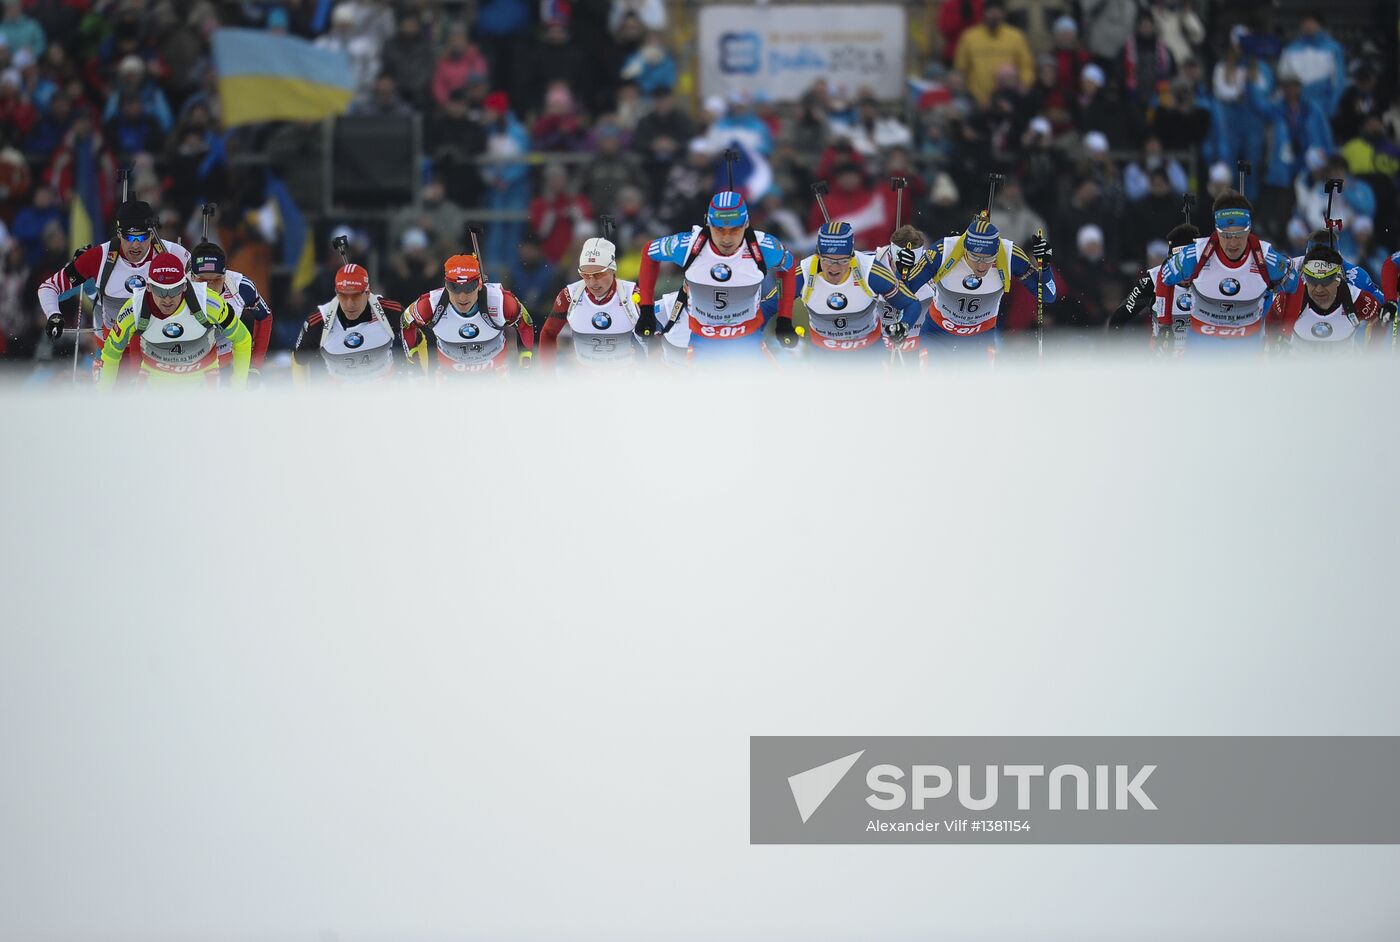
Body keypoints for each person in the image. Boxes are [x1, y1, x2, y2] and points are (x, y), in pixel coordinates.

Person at [635, 190, 797, 361]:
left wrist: (785, 318)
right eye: (719, 229)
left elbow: (788, 268)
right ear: (708, 223)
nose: (726, 238)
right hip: (703, 342)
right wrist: (646, 310)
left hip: (748, 340)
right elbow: (649, 253)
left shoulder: (765, 248)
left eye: (734, 229)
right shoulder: (687, 246)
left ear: (746, 224)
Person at [36, 199, 191, 372]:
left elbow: (205, 290)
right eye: (129, 237)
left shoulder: (174, 254)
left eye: (141, 237)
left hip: (160, 350)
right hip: (113, 353)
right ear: (119, 233)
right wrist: (54, 315)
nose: (135, 244)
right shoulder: (99, 257)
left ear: (152, 234)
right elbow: (49, 287)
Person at [900, 212, 1056, 359]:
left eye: (989, 259)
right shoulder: (943, 251)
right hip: (938, 337)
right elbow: (903, 292)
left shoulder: (1010, 254)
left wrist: (1045, 267)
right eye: (975, 257)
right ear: (965, 249)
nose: (982, 265)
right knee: (932, 387)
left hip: (980, 340)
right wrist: (903, 270)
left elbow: (1048, 296)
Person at [760, 220, 919, 362]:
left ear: (852, 256)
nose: (834, 268)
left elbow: (911, 304)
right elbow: (766, 308)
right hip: (824, 356)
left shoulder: (870, 271)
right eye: (827, 260)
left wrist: (903, 326)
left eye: (843, 261)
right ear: (818, 254)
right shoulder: (803, 273)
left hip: (869, 354)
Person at [1159, 189, 1298, 351]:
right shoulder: (1195, 255)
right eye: (1225, 235)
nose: (1233, 243)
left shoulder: (1267, 258)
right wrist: (1165, 326)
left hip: (1247, 348)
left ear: (1249, 229)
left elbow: (1296, 286)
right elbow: (1164, 277)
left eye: (1239, 235)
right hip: (1202, 347)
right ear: (1217, 231)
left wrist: (1285, 332)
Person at [95, 251, 249, 388]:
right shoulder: (134, 309)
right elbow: (111, 353)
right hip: (154, 385)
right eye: (160, 291)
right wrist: (104, 397)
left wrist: (238, 389)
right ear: (148, 287)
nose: (167, 299)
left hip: (202, 383)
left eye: (174, 290)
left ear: (184, 286)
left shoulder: (208, 303)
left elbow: (242, 339)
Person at [400, 253, 535, 376]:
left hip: (495, 375)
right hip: (450, 377)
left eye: (469, 287)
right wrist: (414, 363)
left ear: (479, 284)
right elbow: (406, 323)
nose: (462, 297)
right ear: (446, 285)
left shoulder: (501, 301)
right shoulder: (430, 304)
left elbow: (525, 325)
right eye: (455, 288)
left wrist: (525, 364)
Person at [538, 237, 645, 370]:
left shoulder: (633, 295)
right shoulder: (570, 296)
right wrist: (548, 377)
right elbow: (548, 333)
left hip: (626, 378)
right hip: (585, 379)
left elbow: (657, 337)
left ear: (612, 270)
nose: (592, 282)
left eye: (598, 275)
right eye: (585, 275)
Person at [292, 262, 404, 382]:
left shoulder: (389, 312)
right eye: (343, 296)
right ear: (336, 293)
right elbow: (299, 360)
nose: (350, 304)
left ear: (367, 293)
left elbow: (417, 340)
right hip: (340, 396)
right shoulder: (319, 321)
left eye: (356, 296)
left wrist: (418, 380)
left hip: (385, 392)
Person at [1267, 244, 1379, 352]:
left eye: (1325, 281)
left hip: (1345, 368)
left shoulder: (1357, 299)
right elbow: (1271, 320)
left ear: (1338, 278)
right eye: (1312, 280)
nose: (1319, 289)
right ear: (1305, 277)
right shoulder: (1289, 298)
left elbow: (1380, 319)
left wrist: (1373, 351)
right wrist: (1274, 345)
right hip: (1299, 367)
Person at [1108, 222, 1198, 352]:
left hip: (1201, 359)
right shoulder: (1154, 278)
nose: (1184, 272)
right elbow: (1118, 318)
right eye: (1178, 264)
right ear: (1170, 259)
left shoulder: (1208, 275)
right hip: (1164, 358)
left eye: (1190, 264)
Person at [187, 239, 273, 375]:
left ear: (225, 275)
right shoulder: (180, 288)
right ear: (191, 276)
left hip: (226, 364)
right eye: (202, 280)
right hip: (190, 365)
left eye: (216, 279)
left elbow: (264, 317)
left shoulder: (241, 287)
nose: (209, 285)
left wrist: (255, 365)